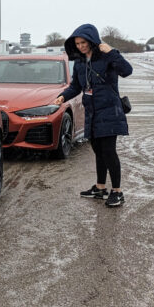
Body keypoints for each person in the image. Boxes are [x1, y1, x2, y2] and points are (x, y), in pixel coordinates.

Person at [54, 23, 132, 208]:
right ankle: (100, 187)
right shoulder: (80, 62)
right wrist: (63, 96)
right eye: (77, 43)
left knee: (109, 151)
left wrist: (112, 52)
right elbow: (76, 86)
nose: (80, 46)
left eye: (83, 42)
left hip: (109, 110)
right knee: (98, 150)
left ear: (92, 41)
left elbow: (127, 71)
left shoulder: (107, 57)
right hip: (92, 112)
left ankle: (117, 192)